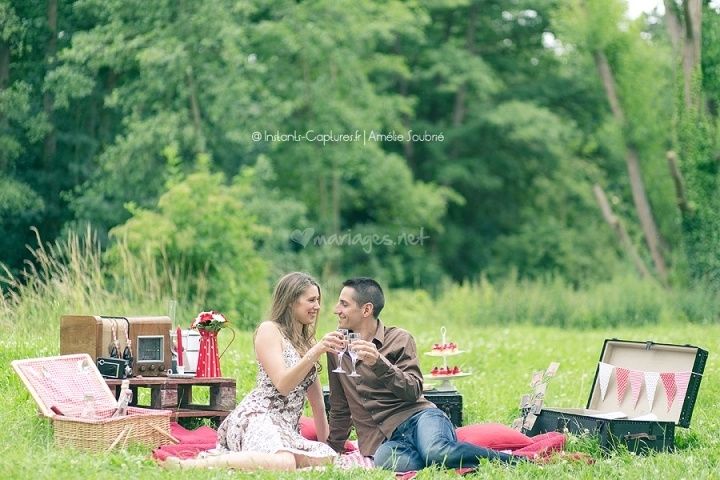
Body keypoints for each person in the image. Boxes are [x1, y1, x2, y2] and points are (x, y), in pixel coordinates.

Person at [327, 277, 523, 472]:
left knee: (437, 452)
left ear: (366, 310)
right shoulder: (337, 349)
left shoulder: (399, 339)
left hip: (419, 418)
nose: (337, 310)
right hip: (385, 441)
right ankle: (438, 452)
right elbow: (340, 405)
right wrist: (333, 450)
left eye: (344, 304)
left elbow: (413, 390)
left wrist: (379, 363)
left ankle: (514, 461)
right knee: (387, 461)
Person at [163, 272, 345, 471]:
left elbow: (317, 403)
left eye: (318, 300)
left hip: (285, 426)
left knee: (328, 458)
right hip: (258, 416)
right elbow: (283, 385)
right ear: (291, 301)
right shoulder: (270, 330)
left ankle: (267, 457)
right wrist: (316, 351)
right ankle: (191, 466)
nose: (317, 306)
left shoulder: (306, 342)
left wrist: (328, 445)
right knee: (285, 463)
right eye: (311, 300)